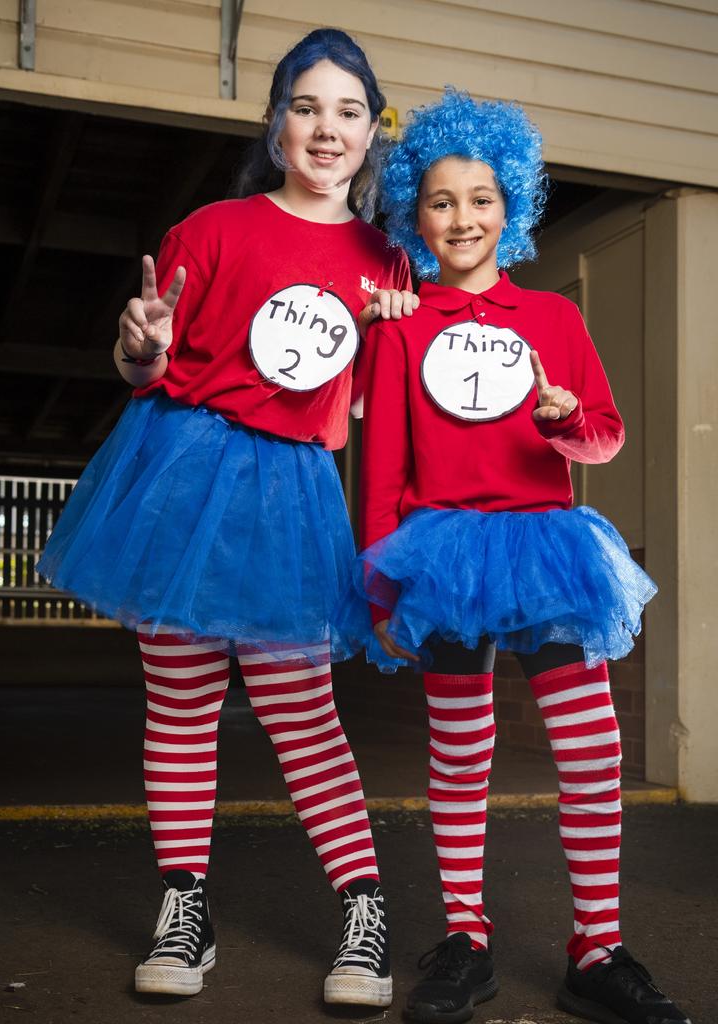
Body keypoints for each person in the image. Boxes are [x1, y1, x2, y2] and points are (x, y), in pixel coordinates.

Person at [37, 28, 418, 1009]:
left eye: (348, 110)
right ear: (275, 121)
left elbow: (372, 407)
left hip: (292, 493)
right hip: (185, 471)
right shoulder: (208, 229)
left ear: (371, 132)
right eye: (306, 105)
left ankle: (365, 911)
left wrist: (394, 340)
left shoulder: (389, 262)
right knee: (182, 703)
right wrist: (139, 348)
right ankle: (184, 906)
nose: (326, 128)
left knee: (304, 717)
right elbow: (147, 368)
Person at [333, 90, 690, 1024]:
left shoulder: (555, 322)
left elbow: (606, 436)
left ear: (514, 206)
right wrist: (381, 582)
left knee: (590, 745)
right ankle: (465, 938)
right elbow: (382, 469)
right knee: (459, 748)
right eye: (442, 201)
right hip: (445, 553)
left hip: (544, 548)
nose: (463, 217)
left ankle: (597, 948)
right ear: (416, 215)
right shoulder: (401, 330)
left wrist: (568, 422)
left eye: (482, 198)